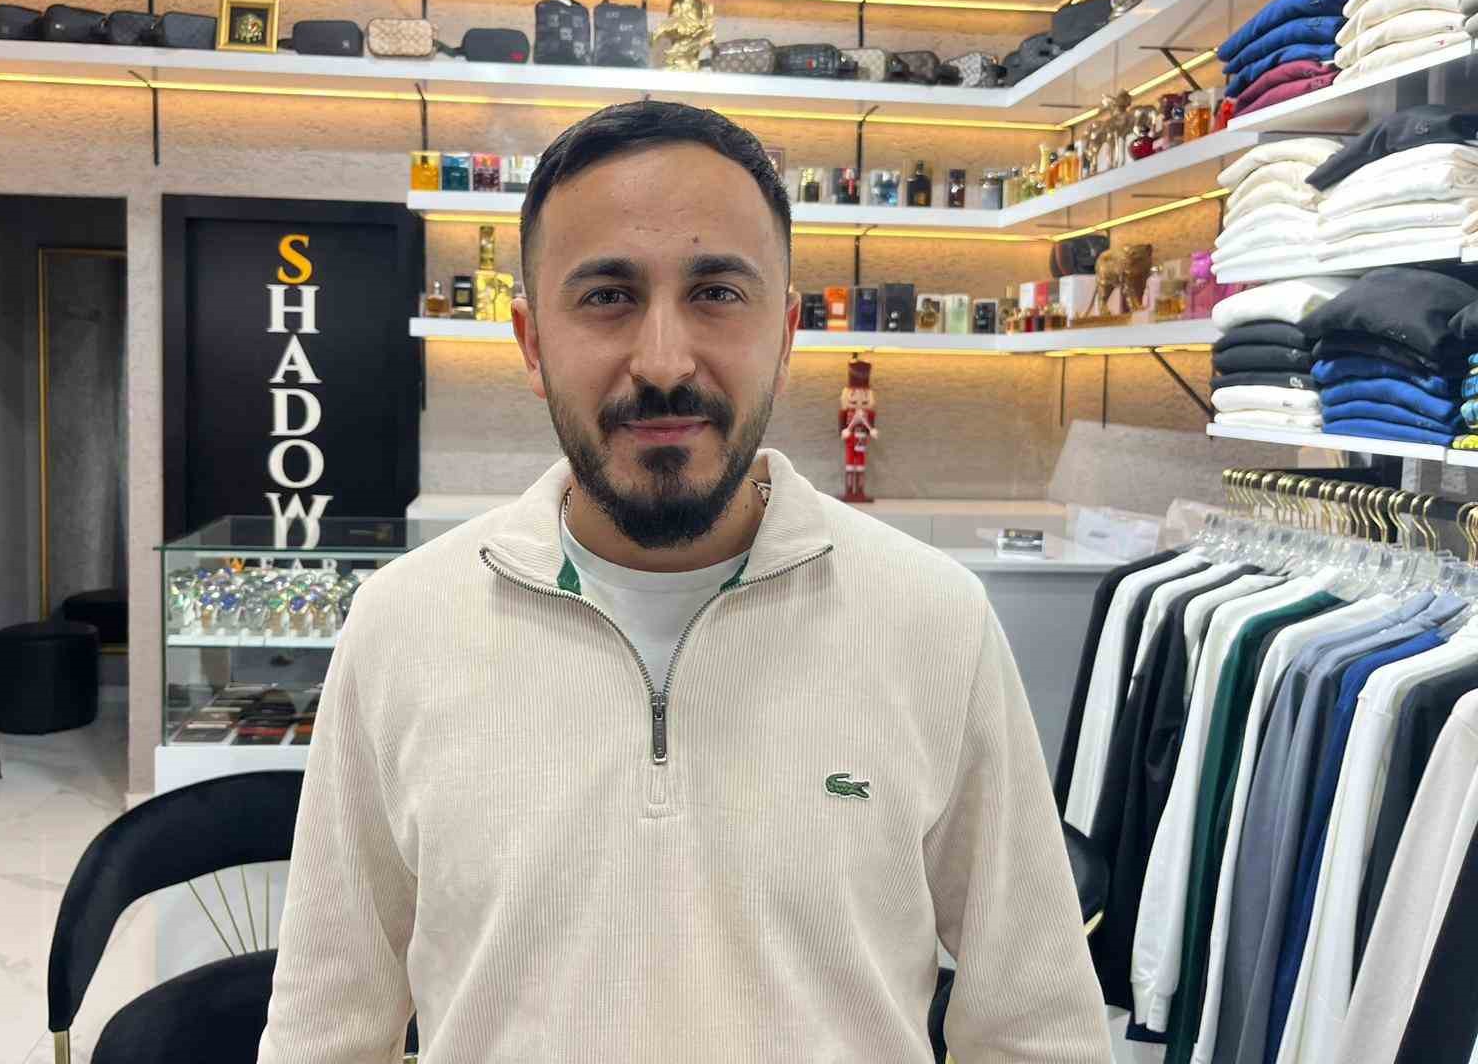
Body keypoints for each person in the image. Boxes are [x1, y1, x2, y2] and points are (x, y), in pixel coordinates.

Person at [257, 101, 1110, 1062]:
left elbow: (1037, 1029)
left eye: (716, 292)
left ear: (784, 334)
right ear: (532, 342)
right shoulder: (401, 625)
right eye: (607, 296)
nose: (664, 362)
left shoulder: (935, 622)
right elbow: (325, 1027)